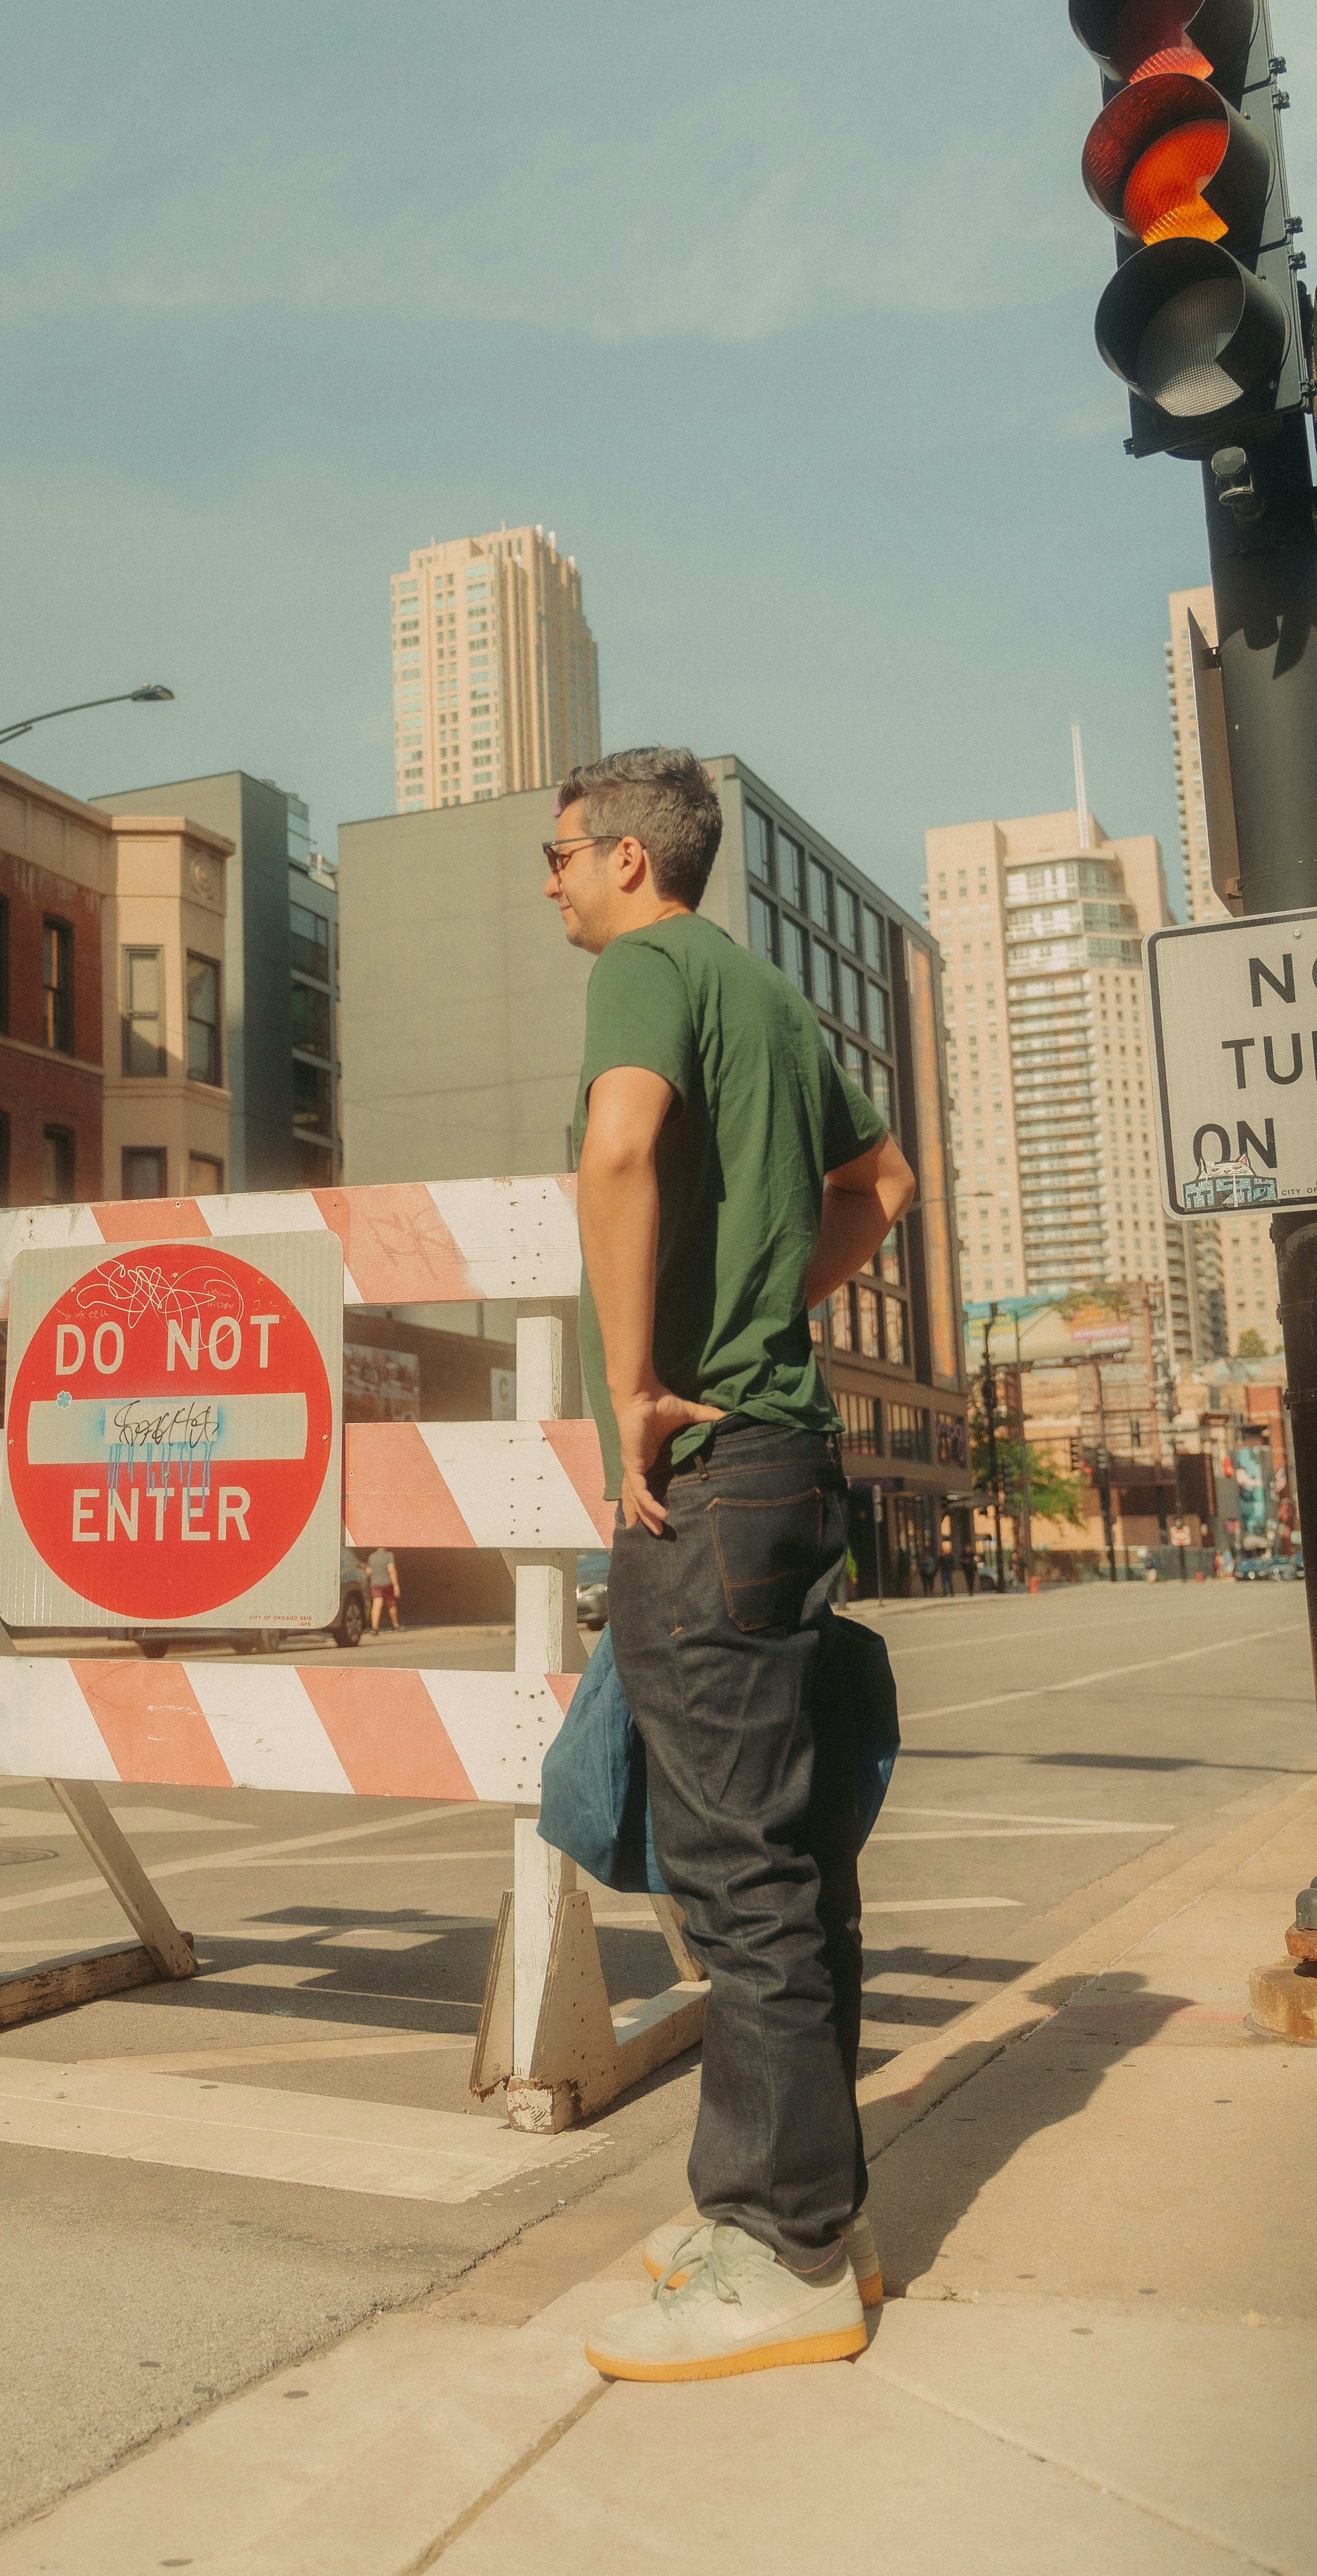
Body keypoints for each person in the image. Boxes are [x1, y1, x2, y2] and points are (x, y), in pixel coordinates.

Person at [544, 746, 916, 2385]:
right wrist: (768, 1311)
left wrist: (630, 1380)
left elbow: (617, 1151)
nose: (548, 880)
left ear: (631, 860)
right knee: (790, 1849)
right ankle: (798, 2211)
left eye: (558, 854)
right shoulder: (768, 998)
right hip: (789, 1461)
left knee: (730, 1866)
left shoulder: (645, 971)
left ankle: (779, 2248)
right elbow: (880, 1188)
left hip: (702, 1475)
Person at [366, 1542, 401, 1631]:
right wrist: (396, 1586)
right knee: (391, 1604)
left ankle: (375, 1627)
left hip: (375, 1584)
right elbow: (391, 1570)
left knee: (377, 1605)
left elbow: (369, 1571)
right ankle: (396, 1625)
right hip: (387, 1584)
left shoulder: (372, 1556)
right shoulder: (389, 1555)